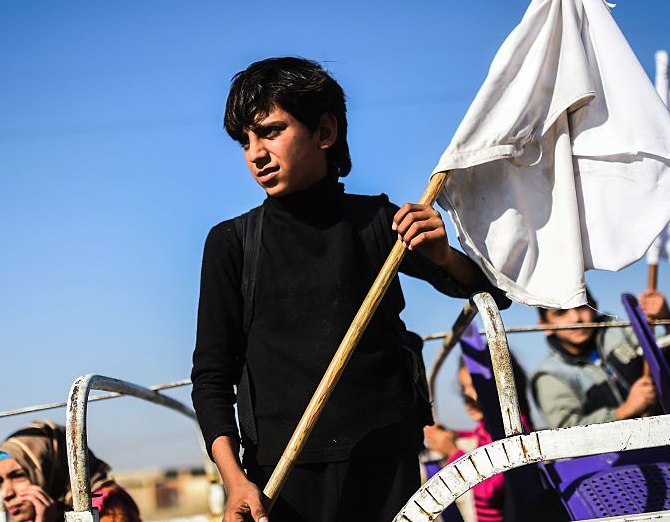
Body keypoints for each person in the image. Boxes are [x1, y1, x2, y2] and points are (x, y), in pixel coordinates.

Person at [190, 57, 504, 522]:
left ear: (324, 132)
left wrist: (443, 255)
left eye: (271, 131)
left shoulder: (378, 222)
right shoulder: (231, 243)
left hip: (385, 461)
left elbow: (489, 294)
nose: (256, 153)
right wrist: (235, 480)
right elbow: (212, 374)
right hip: (281, 474)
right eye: (245, 140)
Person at [531, 287, 670, 429]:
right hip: (615, 464)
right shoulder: (550, 376)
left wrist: (669, 322)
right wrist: (624, 411)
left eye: (582, 306)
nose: (575, 318)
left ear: (594, 305)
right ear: (544, 324)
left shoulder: (623, 331)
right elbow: (567, 434)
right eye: (561, 312)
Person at [424, 358, 533, 522]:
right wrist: (453, 435)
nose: (467, 395)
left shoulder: (513, 429)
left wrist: (453, 453)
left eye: (475, 385)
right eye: (463, 388)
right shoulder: (487, 426)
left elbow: (487, 491)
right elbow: (478, 438)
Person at [0, 420, 141, 522]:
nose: (6, 494)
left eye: (18, 476)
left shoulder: (107, 510)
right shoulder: (41, 516)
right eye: (0, 481)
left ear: (54, 468)